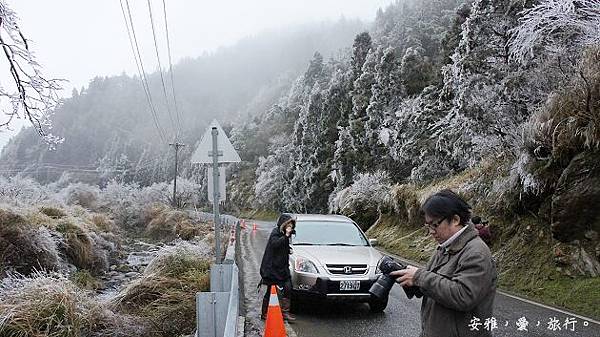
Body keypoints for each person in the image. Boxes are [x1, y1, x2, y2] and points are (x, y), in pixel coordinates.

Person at [392, 189, 497, 337]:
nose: (431, 231)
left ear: (455, 219)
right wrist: (408, 279)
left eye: (434, 225)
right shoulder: (445, 247)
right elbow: (433, 284)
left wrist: (419, 277)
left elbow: (463, 296)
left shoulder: (476, 252)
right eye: (427, 226)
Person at [259, 213, 296, 322]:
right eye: (288, 224)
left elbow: (282, 246)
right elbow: (275, 244)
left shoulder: (286, 234)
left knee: (288, 287)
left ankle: (285, 312)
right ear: (283, 224)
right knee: (270, 290)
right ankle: (265, 313)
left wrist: (287, 248)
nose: (290, 226)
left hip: (283, 268)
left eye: (291, 224)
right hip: (272, 269)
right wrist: (286, 236)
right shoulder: (276, 232)